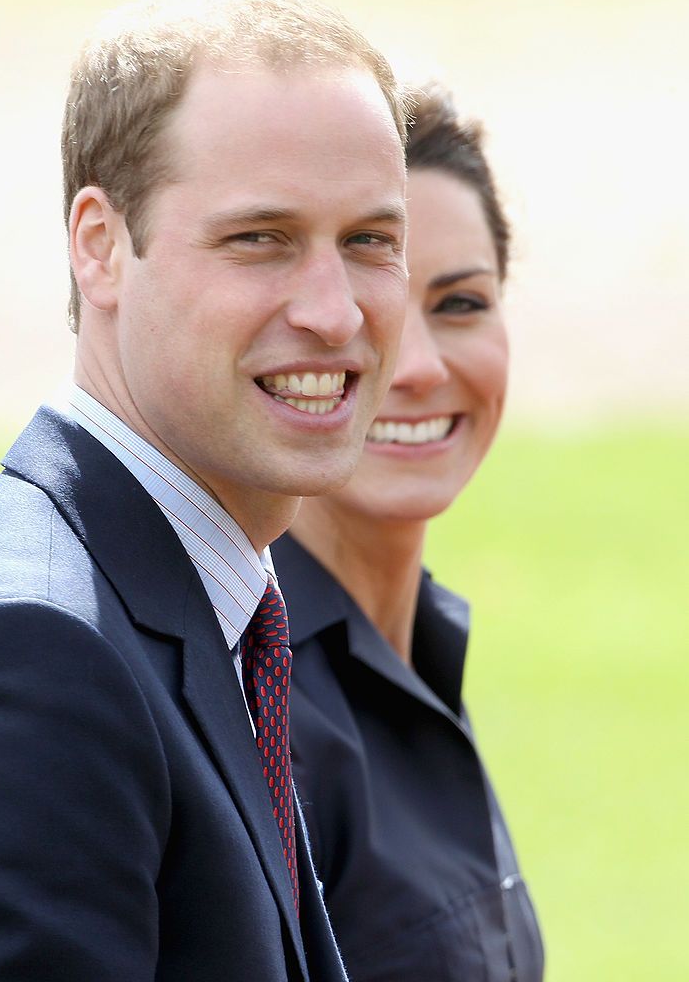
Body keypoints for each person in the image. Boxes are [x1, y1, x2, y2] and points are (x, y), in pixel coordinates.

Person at [0, 0, 410, 981]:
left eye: (369, 241)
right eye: (259, 238)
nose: (334, 310)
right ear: (101, 247)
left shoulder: (204, 607)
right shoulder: (33, 657)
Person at [272, 88, 545, 982]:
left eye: (462, 304)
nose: (418, 367)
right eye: (365, 307)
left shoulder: (422, 640)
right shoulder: (252, 702)